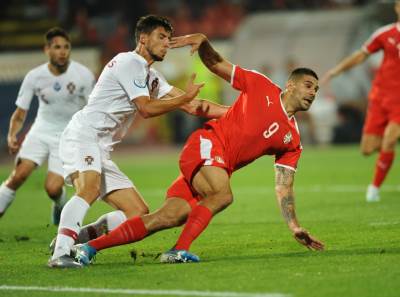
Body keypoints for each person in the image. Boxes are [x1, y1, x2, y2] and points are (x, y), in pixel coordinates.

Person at [74, 33, 324, 267]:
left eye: (316, 89)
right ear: (290, 85)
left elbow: (284, 186)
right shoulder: (261, 86)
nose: (312, 92)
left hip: (213, 166)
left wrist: (294, 227)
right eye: (308, 85)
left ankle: (87, 249)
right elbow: (217, 63)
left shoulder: (292, 140)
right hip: (206, 144)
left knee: (166, 218)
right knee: (223, 195)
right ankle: (178, 250)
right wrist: (203, 42)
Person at [48, 16, 228, 268]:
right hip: (83, 135)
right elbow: (145, 108)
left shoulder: (151, 76)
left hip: (100, 147)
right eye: (161, 37)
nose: (167, 44)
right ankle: (60, 254)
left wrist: (239, 112)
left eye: (168, 38)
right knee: (87, 190)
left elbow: (194, 105)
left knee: (137, 213)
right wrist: (183, 98)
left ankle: (76, 236)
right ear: (143, 38)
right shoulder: (129, 62)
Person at [0, 27, 95, 225]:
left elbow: (93, 109)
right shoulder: (35, 76)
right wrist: (11, 135)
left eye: (66, 47)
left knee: (52, 188)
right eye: (57, 47)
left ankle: (59, 206)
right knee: (19, 175)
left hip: (67, 136)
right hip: (41, 130)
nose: (62, 51)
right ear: (47, 50)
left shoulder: (83, 75)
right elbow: (20, 113)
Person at [321, 0, 400, 202]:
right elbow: (361, 55)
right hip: (380, 97)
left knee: (390, 139)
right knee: (367, 149)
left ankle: (373, 189)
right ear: (397, 8)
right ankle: (389, 146)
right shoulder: (385, 33)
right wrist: (337, 70)